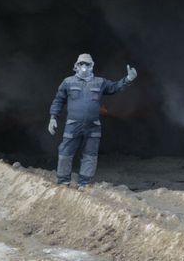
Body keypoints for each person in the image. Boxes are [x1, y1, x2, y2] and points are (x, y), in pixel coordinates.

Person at [48, 53, 137, 188]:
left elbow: (114, 87)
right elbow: (58, 100)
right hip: (73, 125)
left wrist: (128, 79)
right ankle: (63, 182)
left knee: (90, 155)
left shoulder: (100, 82)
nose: (84, 67)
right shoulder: (68, 82)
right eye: (81, 64)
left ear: (92, 66)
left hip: (93, 126)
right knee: (65, 152)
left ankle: (84, 183)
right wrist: (53, 118)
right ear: (76, 66)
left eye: (87, 64)